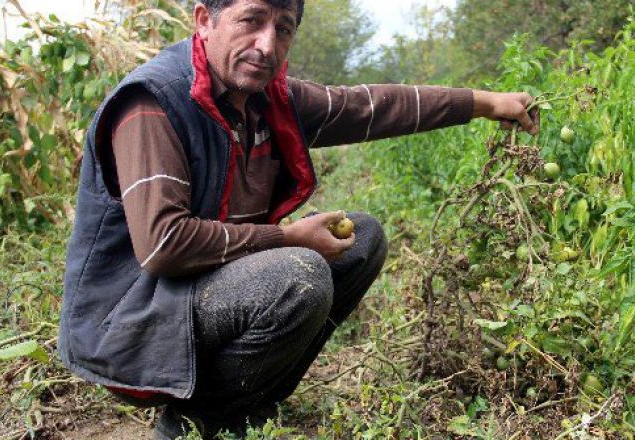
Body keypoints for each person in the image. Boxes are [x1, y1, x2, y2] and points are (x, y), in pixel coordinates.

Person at [57, 0, 539, 438]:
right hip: (133, 320)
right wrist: (288, 238)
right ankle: (195, 424)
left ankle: (247, 405)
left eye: (283, 29)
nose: (267, 45)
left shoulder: (268, 98)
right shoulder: (154, 102)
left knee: (362, 237)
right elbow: (164, 246)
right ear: (205, 20)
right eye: (251, 20)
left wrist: (486, 103)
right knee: (299, 274)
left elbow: (371, 106)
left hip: (200, 293)